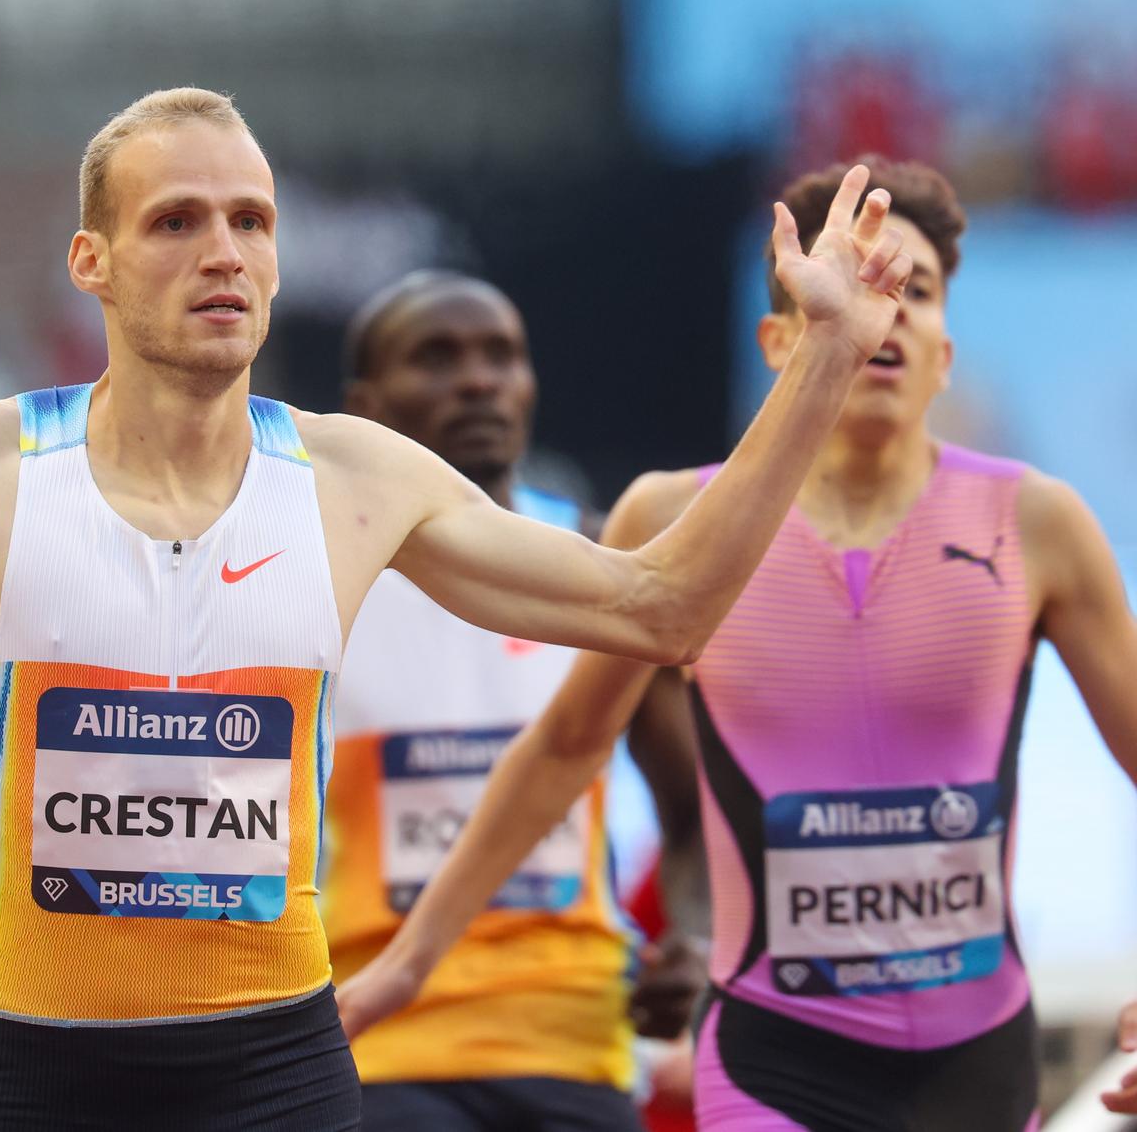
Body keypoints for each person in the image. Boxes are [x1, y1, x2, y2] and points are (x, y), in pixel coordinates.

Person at [0, 77, 912, 1130]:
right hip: (39, 1073)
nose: (227, 253)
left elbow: (661, 606)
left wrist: (828, 356)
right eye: (179, 222)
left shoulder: (354, 479)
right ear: (91, 262)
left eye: (253, 223)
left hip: (275, 1070)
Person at [336, 157, 1137, 1132]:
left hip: (976, 1059)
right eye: (852, 286)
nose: (883, 310)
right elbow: (565, 746)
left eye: (912, 291)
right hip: (771, 1063)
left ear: (945, 351)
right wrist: (409, 962)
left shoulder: (1039, 524)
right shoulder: (675, 519)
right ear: (780, 336)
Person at [324, 269, 707, 1132]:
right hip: (375, 1046)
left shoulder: (605, 571)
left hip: (575, 1042)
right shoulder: (309, 581)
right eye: (437, 356)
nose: (478, 379)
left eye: (502, 355)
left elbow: (694, 811)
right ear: (364, 403)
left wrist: (694, 934)